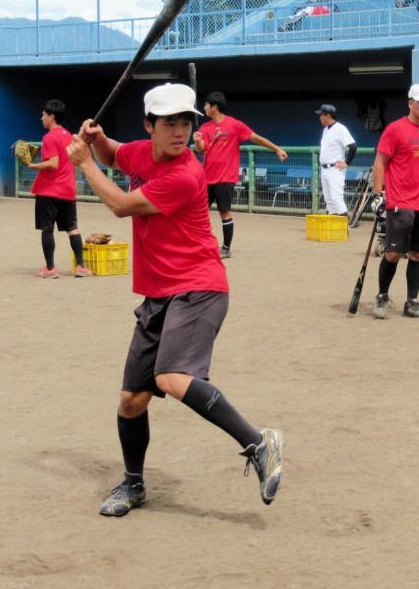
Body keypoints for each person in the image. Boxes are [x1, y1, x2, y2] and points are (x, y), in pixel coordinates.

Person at [66, 82, 283, 517]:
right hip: (159, 293)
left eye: (186, 122)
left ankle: (259, 442)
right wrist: (98, 139)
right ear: (150, 126)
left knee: (170, 377)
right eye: (170, 123)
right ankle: (133, 484)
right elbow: (116, 154)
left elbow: (122, 205)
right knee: (132, 400)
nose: (181, 131)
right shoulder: (142, 152)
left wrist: (85, 165)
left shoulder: (185, 173)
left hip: (199, 287)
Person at [369, 83, 419, 320]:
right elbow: (380, 162)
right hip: (400, 201)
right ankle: (382, 295)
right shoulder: (395, 130)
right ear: (410, 103)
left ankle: (411, 302)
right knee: (393, 254)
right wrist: (377, 193)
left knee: (418, 254)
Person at [192, 91, 288, 258]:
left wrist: (277, 149)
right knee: (198, 213)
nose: (204, 107)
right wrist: (197, 140)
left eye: (207, 104)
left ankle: (226, 248)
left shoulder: (234, 125)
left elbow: (255, 138)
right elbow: (201, 148)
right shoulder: (205, 128)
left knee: (224, 212)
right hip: (207, 177)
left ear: (214, 107)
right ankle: (200, 245)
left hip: (225, 177)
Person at [29, 99, 90, 279]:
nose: (41, 118)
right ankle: (80, 267)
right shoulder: (69, 136)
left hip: (49, 191)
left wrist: (32, 165)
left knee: (47, 229)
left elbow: (53, 164)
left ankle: (50, 268)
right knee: (72, 228)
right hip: (67, 189)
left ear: (51, 117)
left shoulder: (49, 137)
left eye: (44, 115)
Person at [315, 104, 356, 216]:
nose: (320, 117)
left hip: (335, 169)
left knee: (336, 198)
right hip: (325, 169)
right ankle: (333, 230)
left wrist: (346, 163)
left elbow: (353, 147)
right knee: (329, 200)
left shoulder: (340, 128)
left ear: (328, 115)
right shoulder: (325, 130)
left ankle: (343, 229)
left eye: (321, 115)